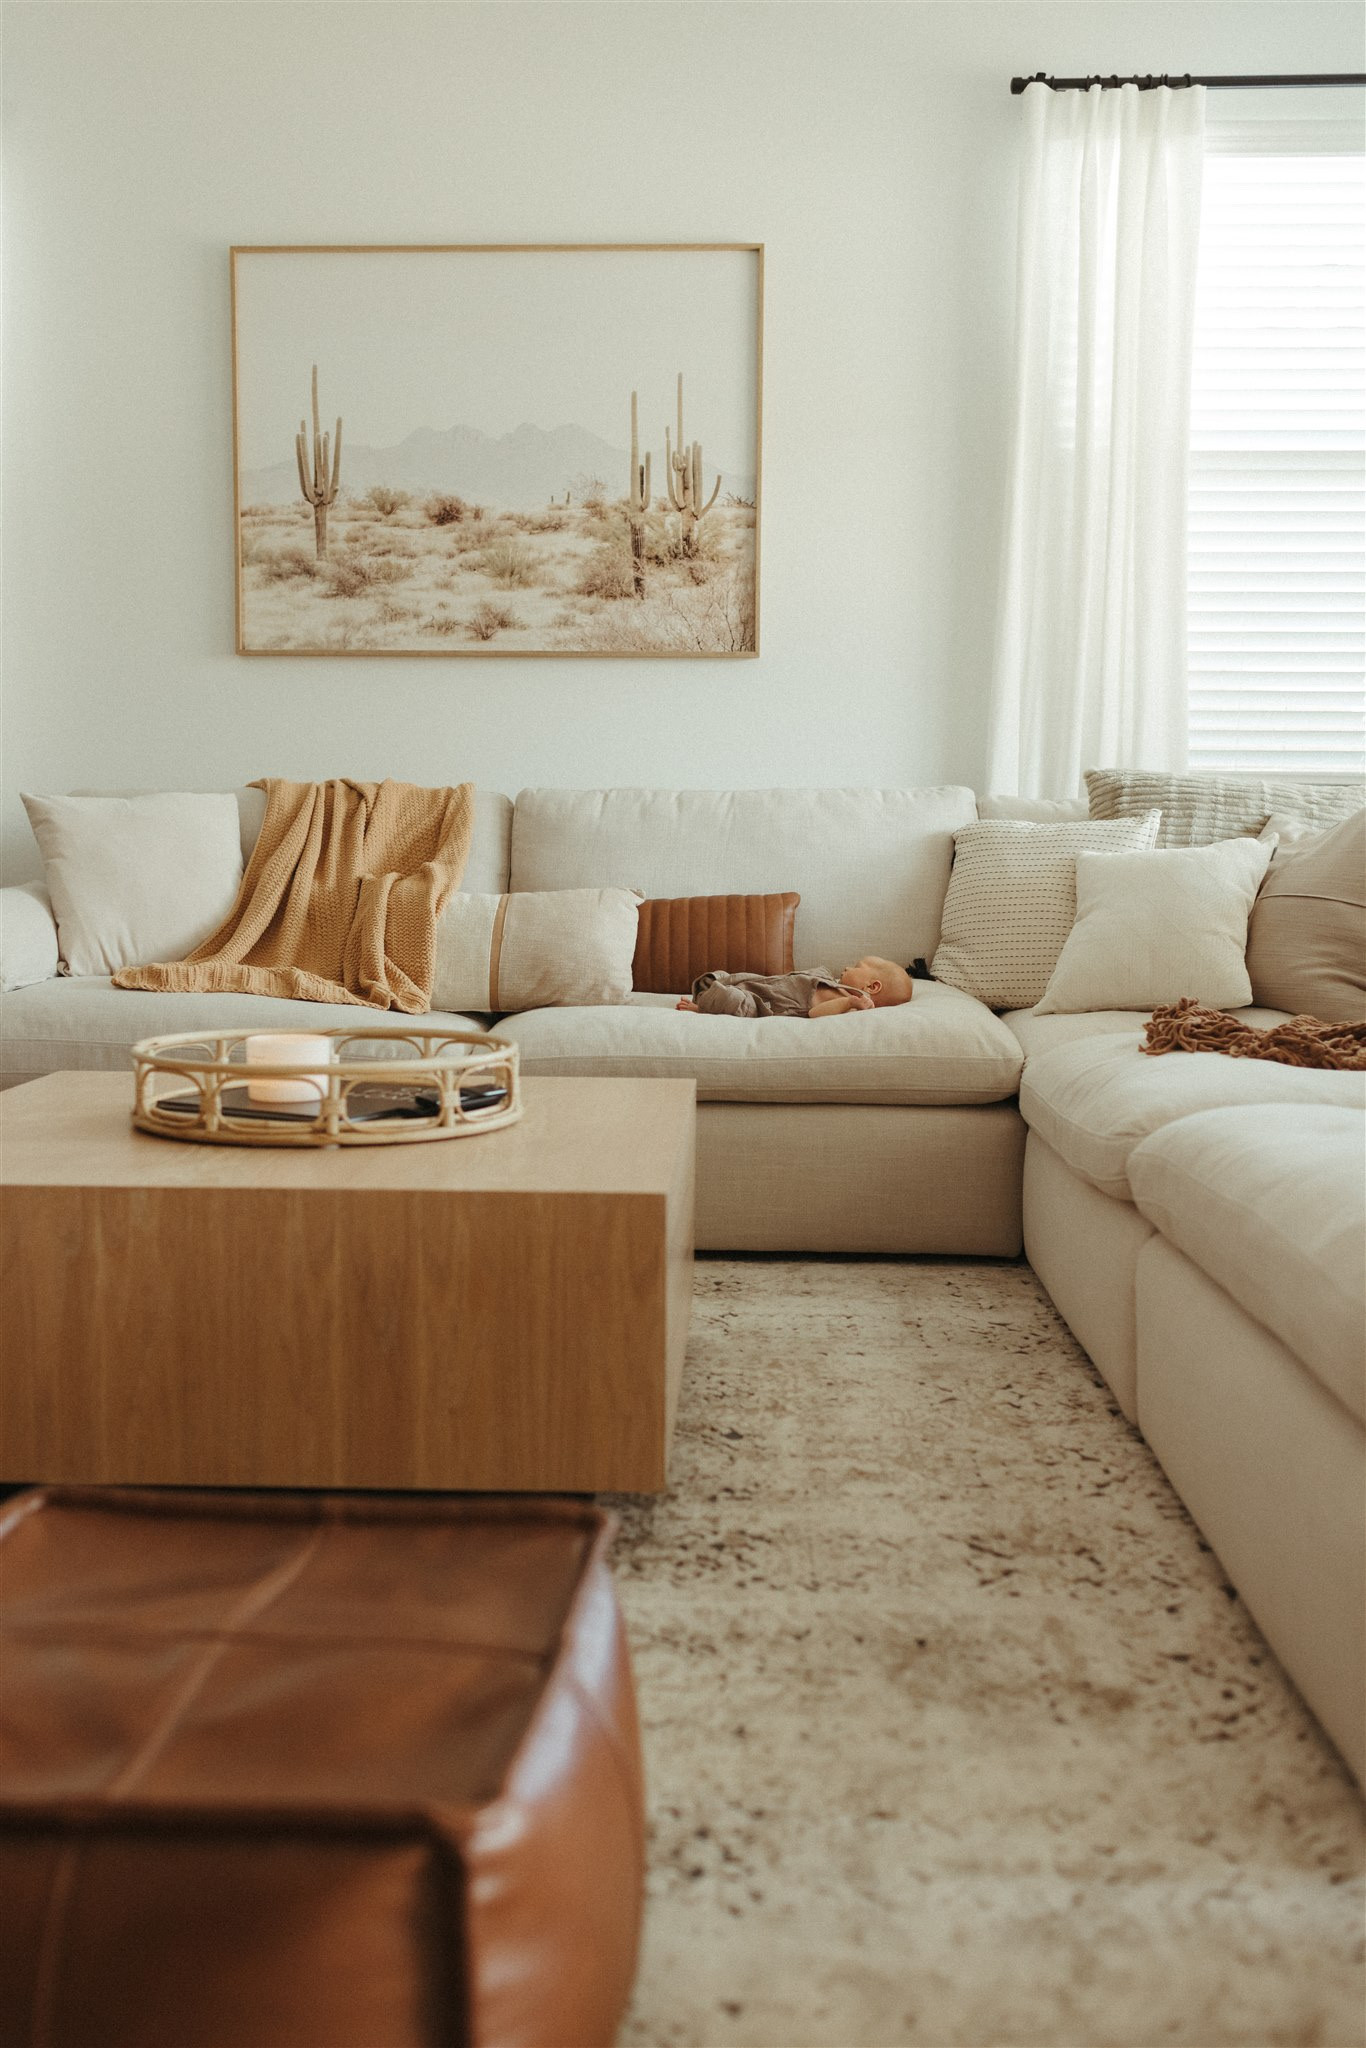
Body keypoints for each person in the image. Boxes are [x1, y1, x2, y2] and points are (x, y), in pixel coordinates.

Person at [676, 956, 914, 1018]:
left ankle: (705, 1007)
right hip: (769, 985)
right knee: (729, 978)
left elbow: (814, 1013)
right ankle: (716, 988)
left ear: (872, 986)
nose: (846, 967)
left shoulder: (850, 1003)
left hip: (763, 1005)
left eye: (856, 966)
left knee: (735, 1001)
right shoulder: (831, 981)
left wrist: (850, 1001)